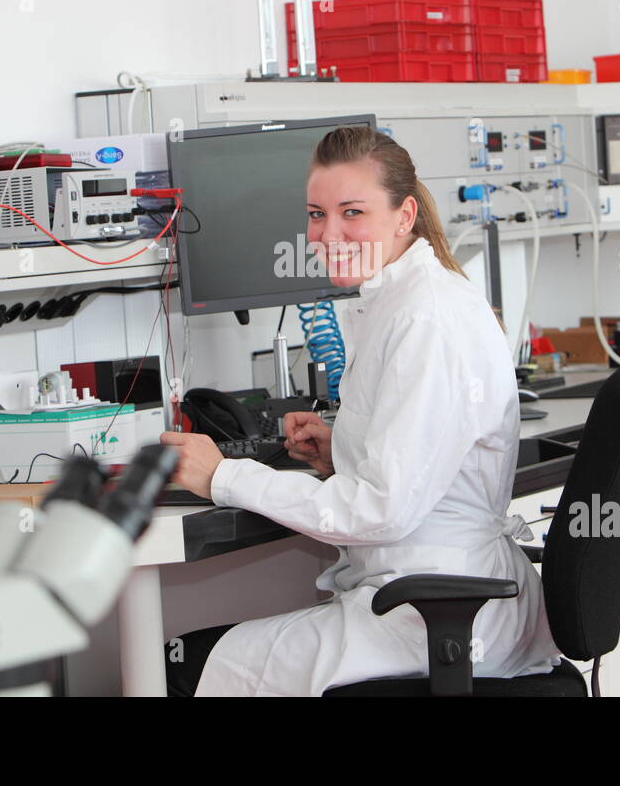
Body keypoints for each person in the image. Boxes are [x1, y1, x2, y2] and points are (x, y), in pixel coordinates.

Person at [160, 126, 561, 696]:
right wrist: (340, 449)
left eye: (352, 211)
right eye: (316, 214)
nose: (327, 233)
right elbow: (417, 463)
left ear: (404, 216)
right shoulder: (409, 298)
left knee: (175, 667)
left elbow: (381, 509)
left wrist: (223, 474)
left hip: (435, 613)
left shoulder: (426, 319)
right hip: (433, 597)